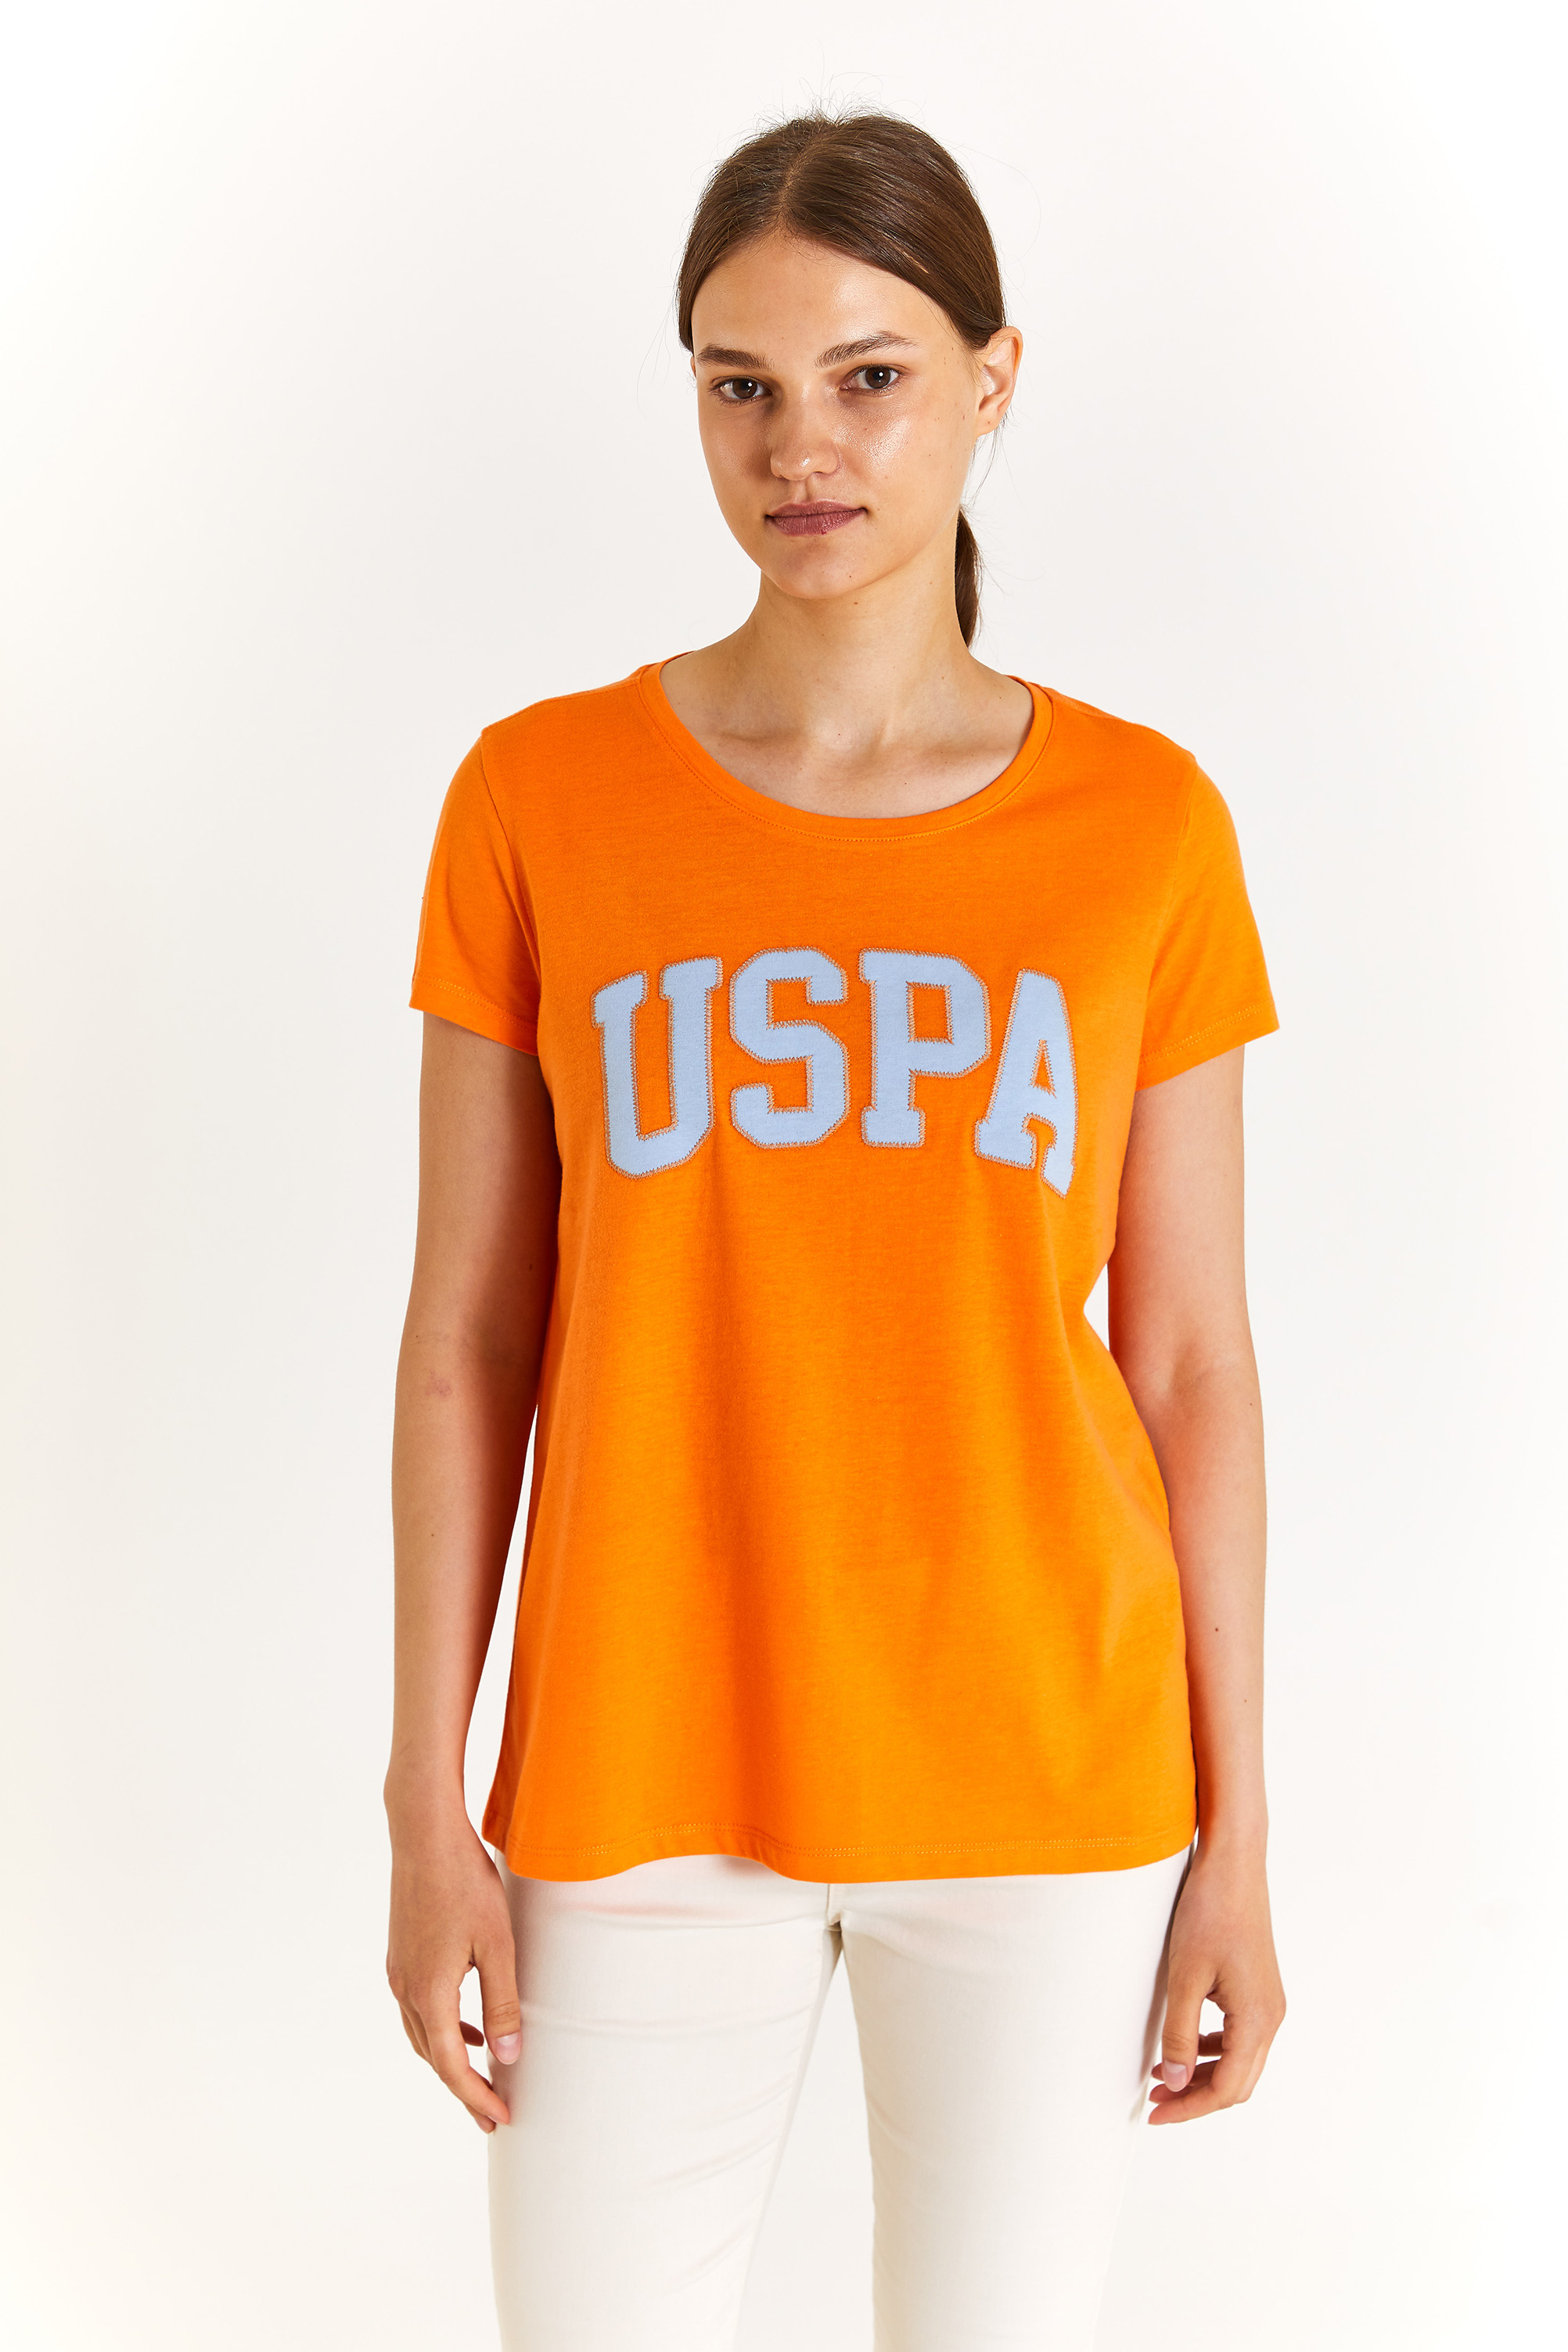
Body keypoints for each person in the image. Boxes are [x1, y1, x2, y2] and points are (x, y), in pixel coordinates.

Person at [384, 108, 1286, 2352]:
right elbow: (466, 1337)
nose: (803, 444)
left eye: (870, 376)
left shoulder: (1144, 828)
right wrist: (424, 1803)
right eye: (743, 383)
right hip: (634, 1765)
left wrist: (1243, 1839)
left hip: (1044, 1776)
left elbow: (1190, 1358)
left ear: (992, 378)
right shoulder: (537, 800)